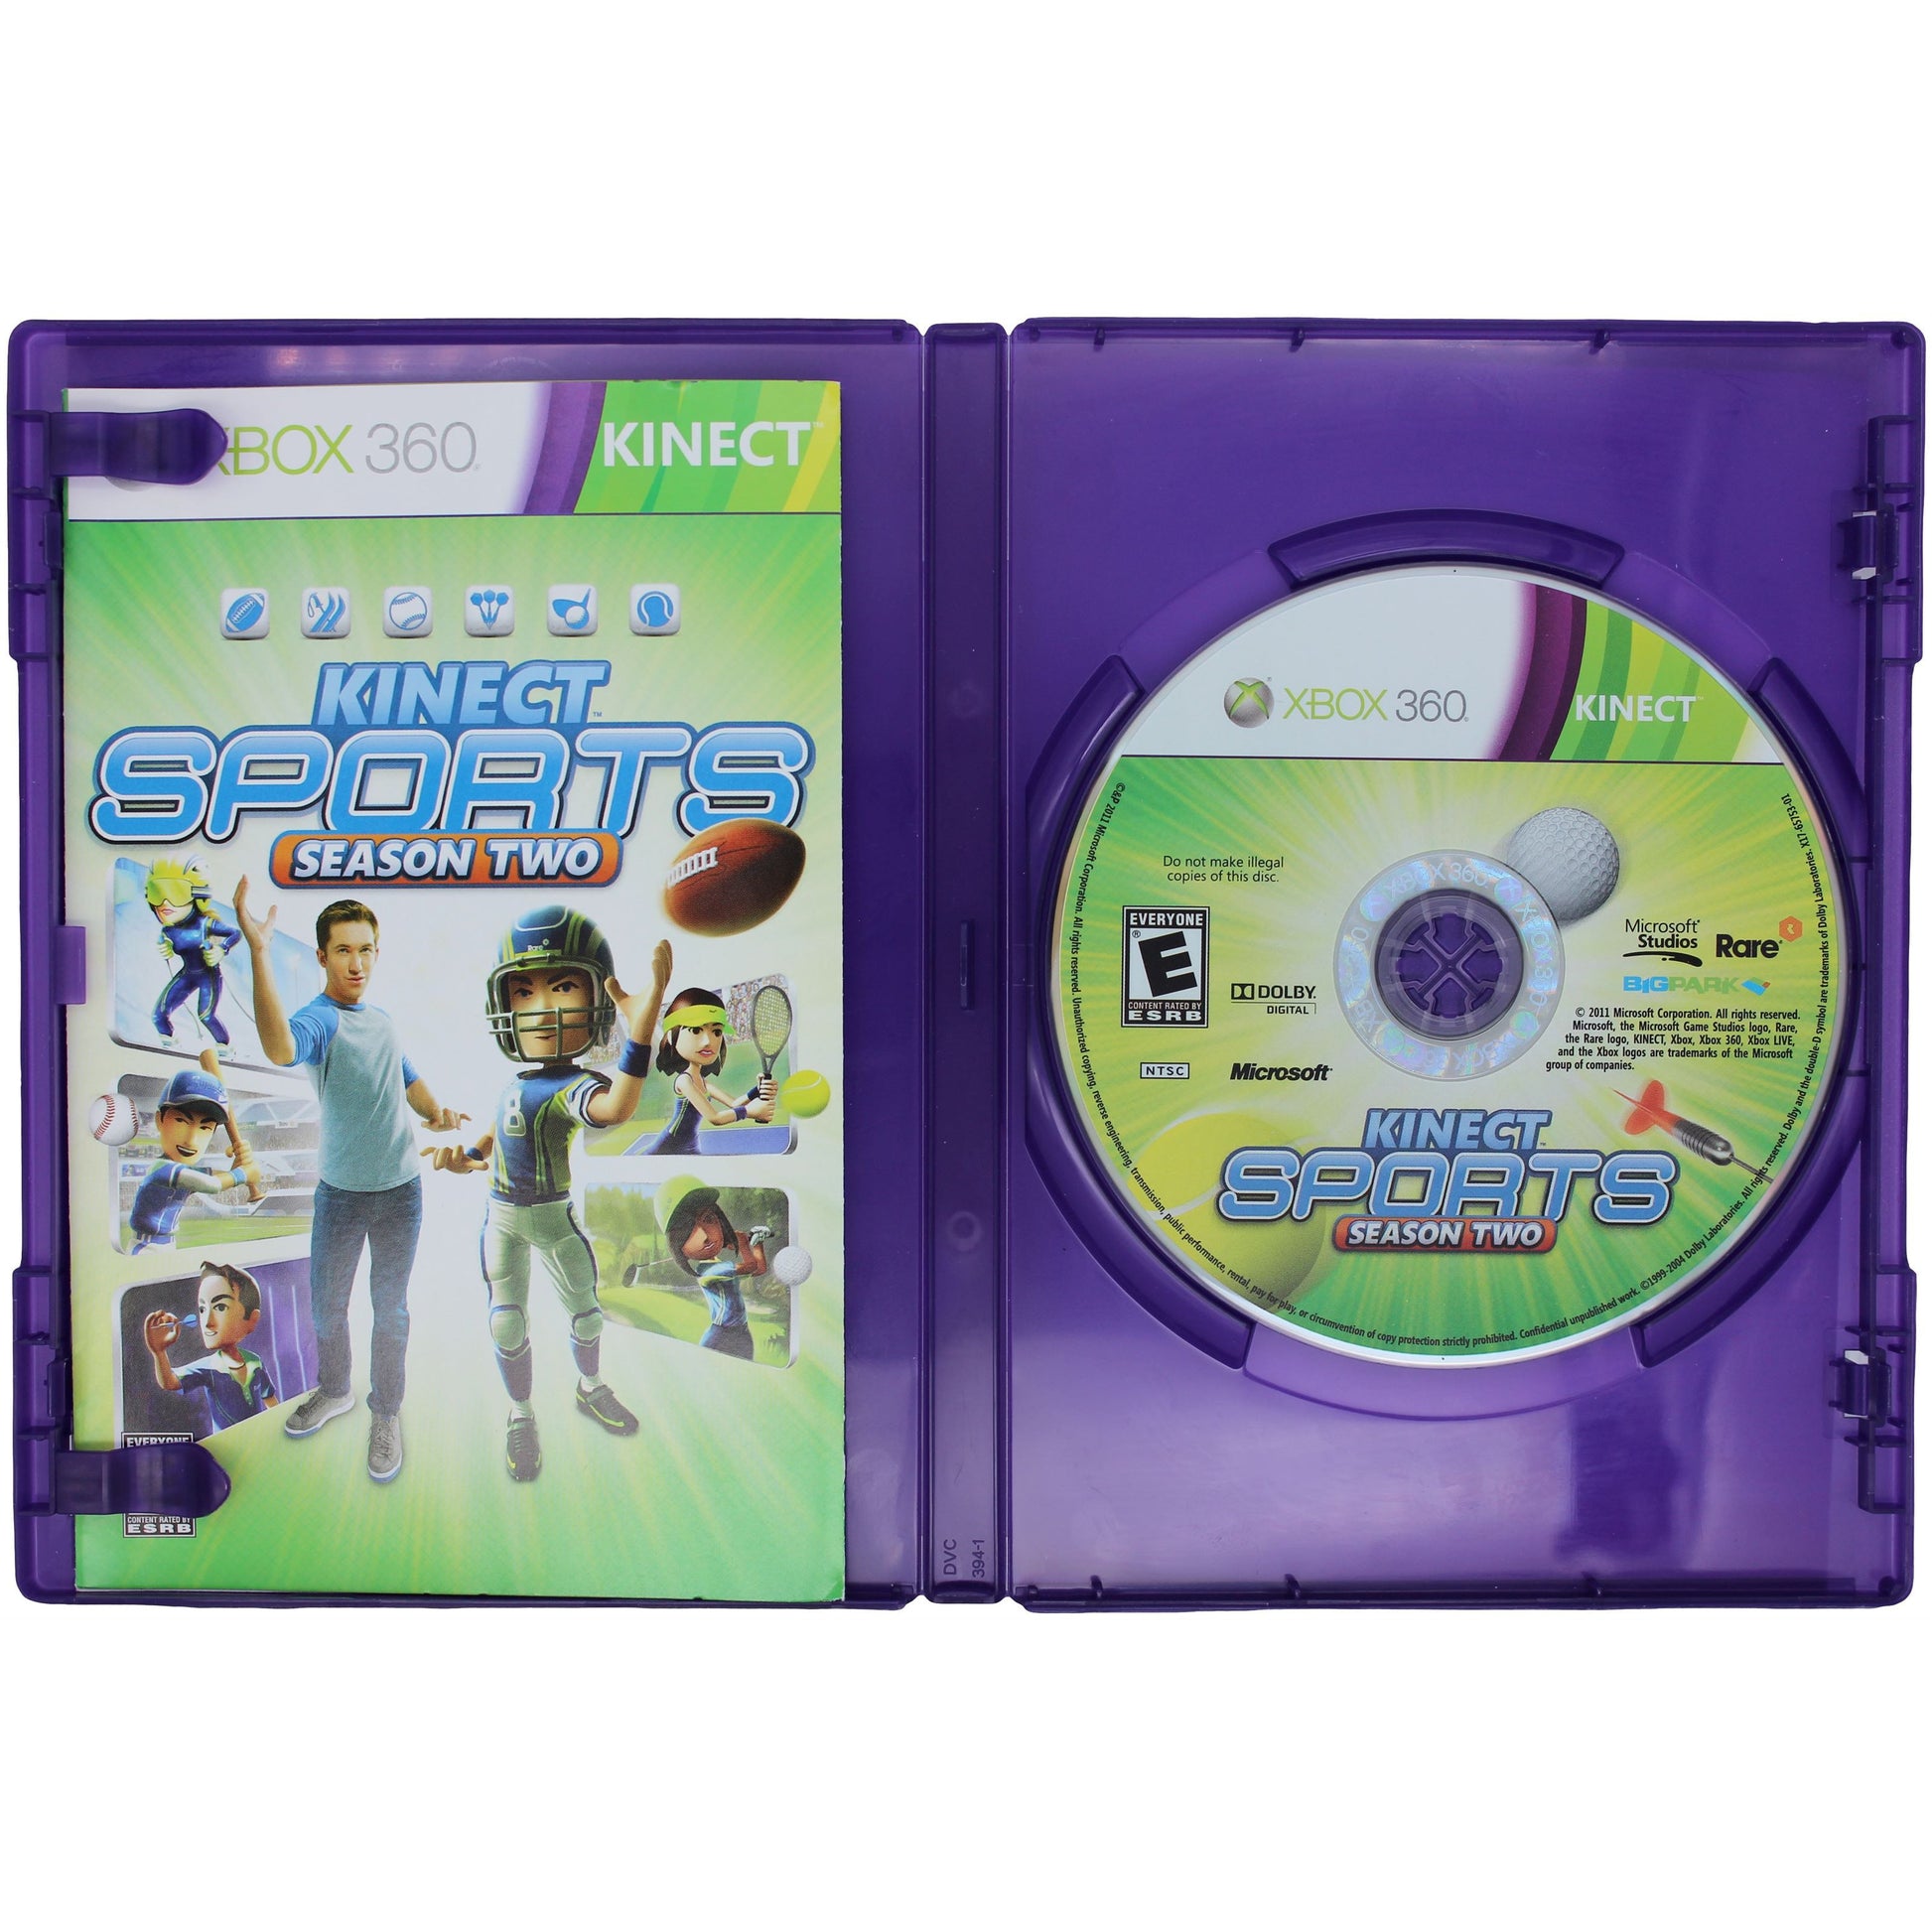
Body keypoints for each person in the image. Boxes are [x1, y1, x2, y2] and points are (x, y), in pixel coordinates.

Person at [422, 906, 672, 1482]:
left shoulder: (573, 1084)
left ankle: (590, 1386)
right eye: (523, 991)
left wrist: (642, 1027)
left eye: (561, 988)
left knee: (586, 1315)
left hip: (555, 1217)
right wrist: (462, 1159)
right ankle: (520, 1414)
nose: (540, 1008)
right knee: (506, 1323)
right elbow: (487, 1148)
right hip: (502, 1219)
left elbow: (616, 1108)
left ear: (595, 997)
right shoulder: (513, 1084)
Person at [234, 882, 463, 1484]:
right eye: (343, 951)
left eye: (365, 950)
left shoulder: (381, 1021)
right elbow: (280, 1047)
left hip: (400, 1193)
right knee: (327, 1308)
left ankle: (385, 1414)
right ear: (322, 956)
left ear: (376, 953)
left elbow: (406, 1077)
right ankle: (335, 1390)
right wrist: (259, 952)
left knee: (391, 1311)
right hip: (340, 1195)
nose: (356, 963)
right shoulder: (320, 1020)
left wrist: (437, 1112)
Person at [127, 1067, 260, 1253]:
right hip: (145, 1248)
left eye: (205, 1128)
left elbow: (215, 1177)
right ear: (159, 1120)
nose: (191, 1140)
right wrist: (242, 1174)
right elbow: (211, 1184)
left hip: (166, 1247)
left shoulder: (184, 1171)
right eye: (181, 1121)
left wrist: (239, 1166)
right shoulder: (162, 1169)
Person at [142, 1262, 278, 1433]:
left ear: (252, 1319)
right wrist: (159, 1352)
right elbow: (169, 1382)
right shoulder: (209, 1368)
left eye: (220, 1307)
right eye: (202, 1309)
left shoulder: (255, 1362)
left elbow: (270, 1400)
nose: (207, 1322)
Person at [641, 988, 776, 1156]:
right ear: (670, 1037)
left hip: (691, 1143)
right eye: (696, 1030)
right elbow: (715, 1118)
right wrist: (749, 1112)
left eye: (716, 1032)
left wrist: (757, 1089)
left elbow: (734, 1104)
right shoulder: (684, 1081)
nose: (708, 1041)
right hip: (668, 1144)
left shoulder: (703, 1082)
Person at [660, 1178, 767, 1361]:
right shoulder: (709, 1272)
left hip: (742, 1332)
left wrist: (758, 1244)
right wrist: (743, 1243)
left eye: (708, 1220)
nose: (704, 1236)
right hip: (720, 1337)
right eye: (688, 1232)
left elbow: (759, 1270)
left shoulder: (718, 1264)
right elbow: (750, 1266)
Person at [146, 859, 240, 1048]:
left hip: (208, 975)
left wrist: (222, 949)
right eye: (156, 894)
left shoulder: (205, 924)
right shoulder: (168, 930)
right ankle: (168, 1041)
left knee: (206, 1016)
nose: (164, 903)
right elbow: (165, 942)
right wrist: (165, 948)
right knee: (158, 1015)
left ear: (198, 895)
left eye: (177, 893)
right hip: (188, 974)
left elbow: (234, 933)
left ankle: (225, 1046)